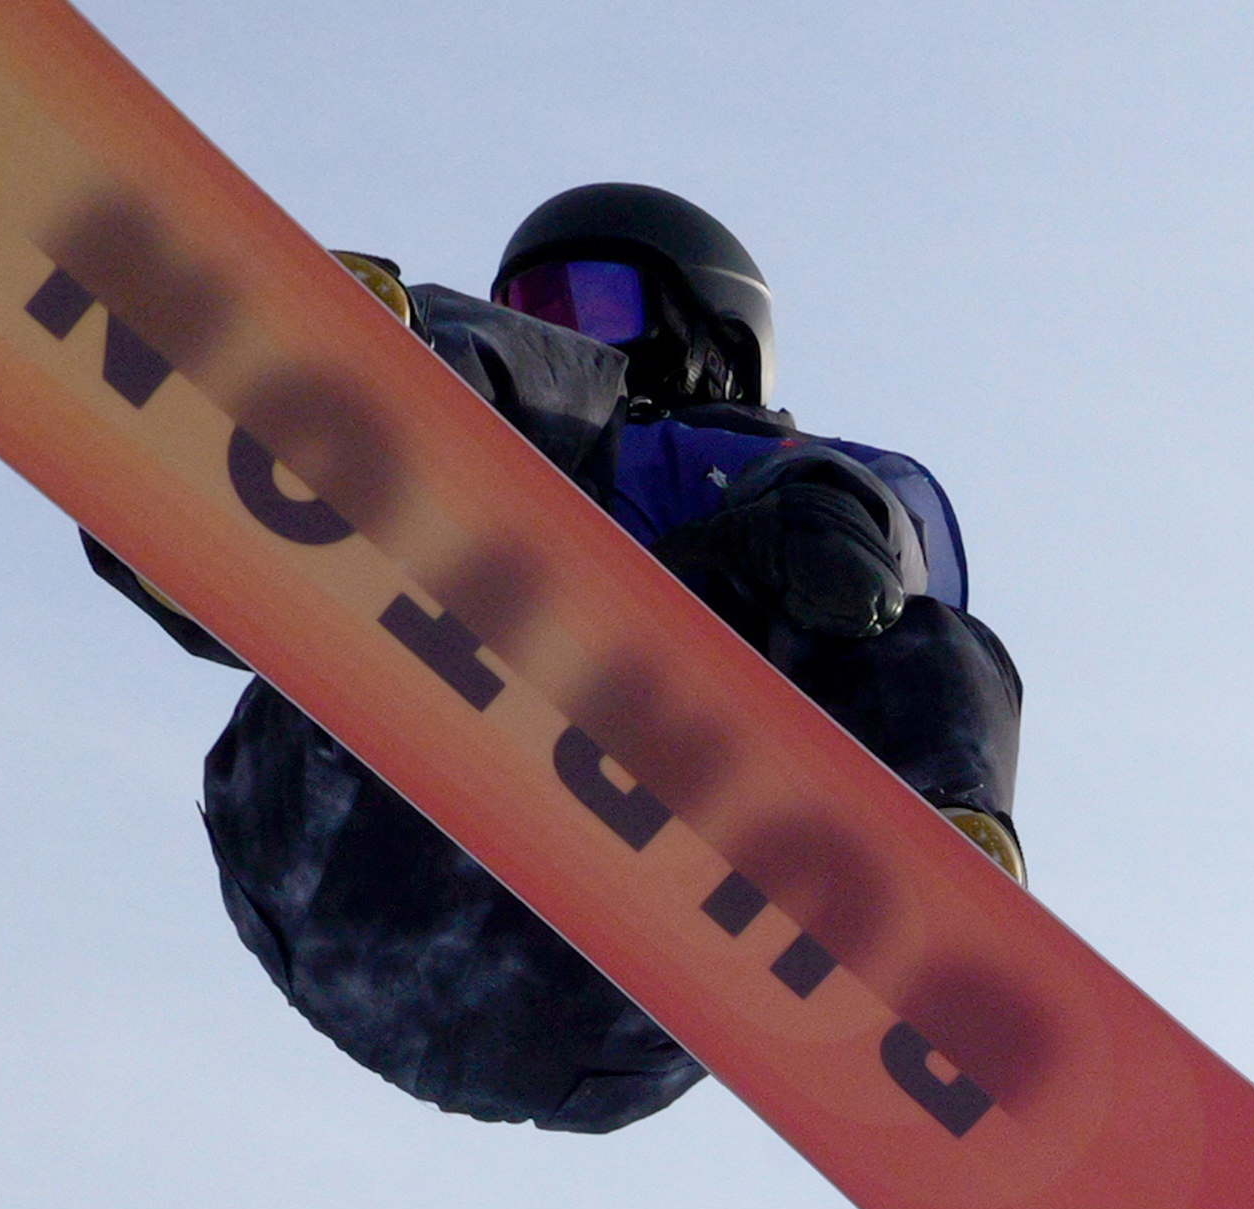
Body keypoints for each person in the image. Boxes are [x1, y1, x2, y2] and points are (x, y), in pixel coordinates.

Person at [84, 184, 1027, 1133]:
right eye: (534, 311)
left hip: (597, 967)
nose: (567, 330)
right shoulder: (548, 415)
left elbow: (897, 535)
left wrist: (833, 518)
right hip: (345, 817)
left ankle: (927, 883)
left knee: (934, 644)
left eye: (592, 303)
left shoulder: (778, 461)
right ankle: (292, 433)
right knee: (523, 420)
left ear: (716, 346)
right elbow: (539, 390)